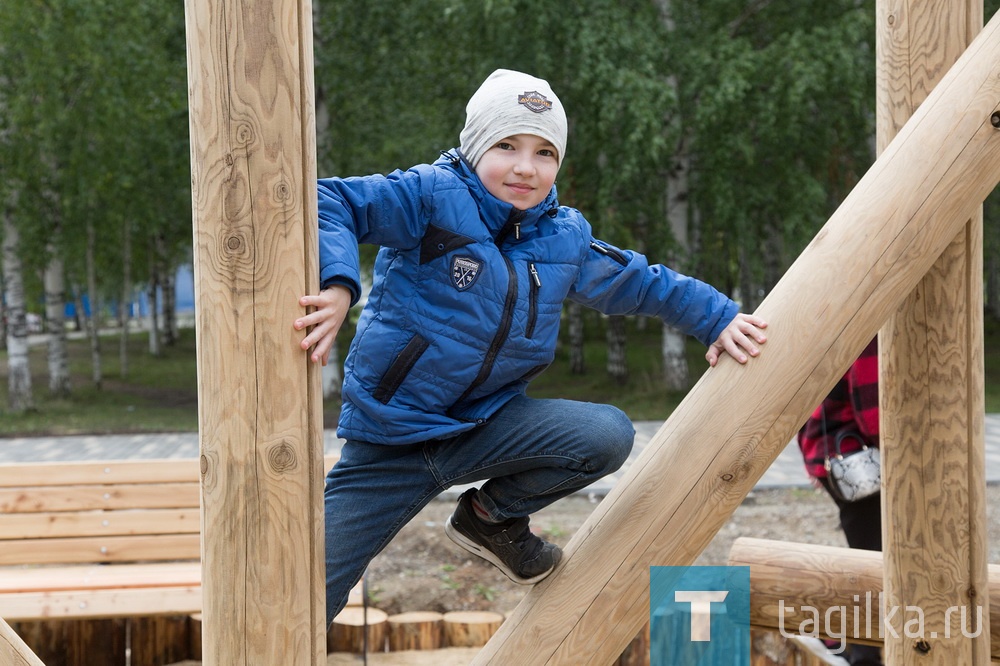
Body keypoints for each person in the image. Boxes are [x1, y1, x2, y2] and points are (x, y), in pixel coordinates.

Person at [293, 68, 769, 627]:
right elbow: (333, 201)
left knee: (606, 433)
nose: (525, 166)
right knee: (305, 591)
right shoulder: (428, 197)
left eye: (545, 152)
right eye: (506, 145)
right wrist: (339, 286)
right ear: (474, 147)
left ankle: (491, 518)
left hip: (485, 426)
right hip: (389, 441)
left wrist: (717, 317)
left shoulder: (561, 235)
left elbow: (640, 282)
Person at [797, 337, 881, 666]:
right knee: (874, 561)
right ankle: (860, 653)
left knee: (871, 552)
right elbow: (873, 412)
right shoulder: (875, 329)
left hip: (835, 450)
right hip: (857, 459)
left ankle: (846, 639)